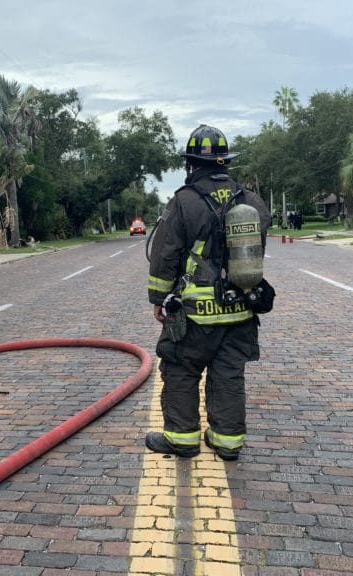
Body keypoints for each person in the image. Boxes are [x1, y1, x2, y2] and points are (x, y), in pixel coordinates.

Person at [146, 124, 272, 461]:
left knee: (181, 370)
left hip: (195, 315)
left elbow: (165, 254)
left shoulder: (184, 201)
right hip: (241, 310)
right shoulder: (251, 201)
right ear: (225, 162)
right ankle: (227, 441)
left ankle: (182, 439)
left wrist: (159, 300)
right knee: (229, 374)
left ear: (191, 164)